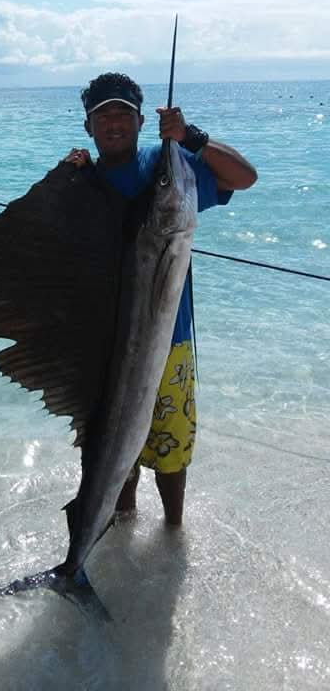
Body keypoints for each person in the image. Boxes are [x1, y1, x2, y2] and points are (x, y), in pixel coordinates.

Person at [65, 72, 257, 526]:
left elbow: (244, 178)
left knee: (172, 451)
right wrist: (65, 183)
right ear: (88, 126)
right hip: (101, 346)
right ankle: (119, 530)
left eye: (123, 114)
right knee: (112, 450)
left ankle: (173, 534)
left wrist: (191, 137)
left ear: (139, 121)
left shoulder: (166, 166)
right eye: (103, 116)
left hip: (169, 342)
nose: (114, 123)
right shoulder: (80, 181)